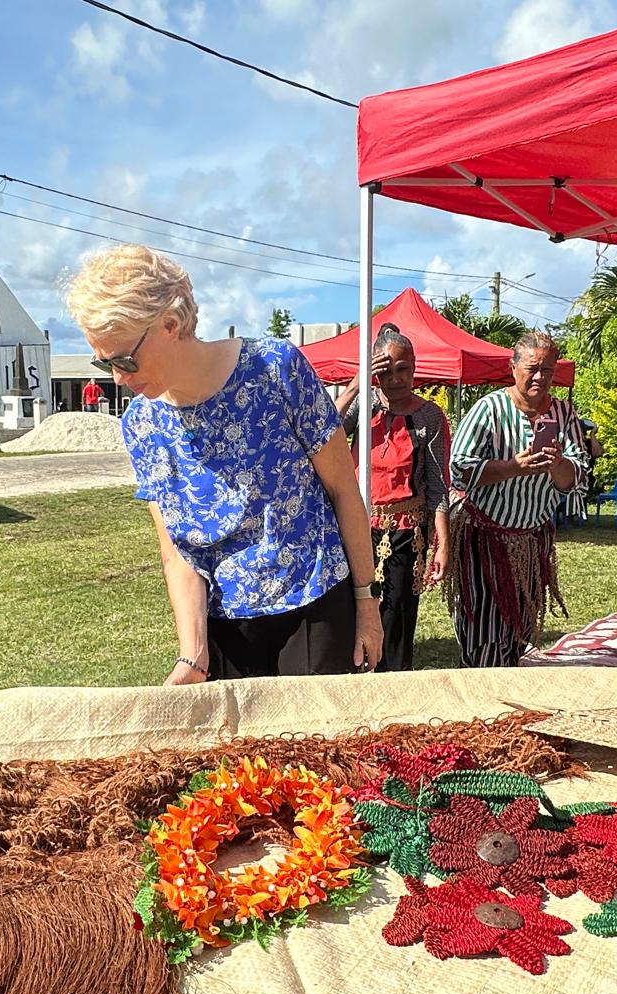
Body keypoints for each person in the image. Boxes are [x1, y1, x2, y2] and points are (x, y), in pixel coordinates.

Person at [65, 243, 383, 683]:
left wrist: (366, 603)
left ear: (170, 325)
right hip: (225, 628)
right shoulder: (142, 423)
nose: (118, 378)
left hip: (315, 602)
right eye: (104, 365)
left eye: (123, 359)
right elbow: (177, 553)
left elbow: (343, 491)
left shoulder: (276, 368)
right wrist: (192, 654)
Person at [447, 331, 588, 667]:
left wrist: (557, 464)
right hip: (484, 535)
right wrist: (514, 467)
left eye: (548, 370)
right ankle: (482, 692)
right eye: (532, 368)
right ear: (513, 367)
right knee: (484, 625)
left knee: (519, 624)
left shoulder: (563, 413)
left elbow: (578, 475)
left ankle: (506, 681)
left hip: (530, 539)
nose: (540, 376)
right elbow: (459, 469)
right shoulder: (488, 409)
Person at [333, 323, 451, 671]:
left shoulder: (428, 416)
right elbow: (323, 433)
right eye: (387, 371)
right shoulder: (363, 407)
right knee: (355, 608)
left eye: (405, 370)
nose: (397, 380)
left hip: (405, 532)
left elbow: (437, 483)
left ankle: (394, 683)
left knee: (396, 613)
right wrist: (356, 386)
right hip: (358, 525)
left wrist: (443, 543)